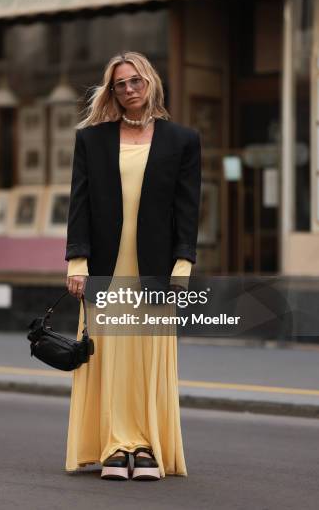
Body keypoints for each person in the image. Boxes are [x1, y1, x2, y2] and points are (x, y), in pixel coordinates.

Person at [64, 51, 201, 481]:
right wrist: (77, 262)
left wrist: (183, 266)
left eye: (135, 81)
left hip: (155, 267)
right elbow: (79, 205)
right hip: (105, 264)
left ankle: (143, 445)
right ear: (112, 91)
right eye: (120, 84)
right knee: (107, 354)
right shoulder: (91, 139)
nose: (128, 90)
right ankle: (113, 444)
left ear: (151, 82)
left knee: (145, 353)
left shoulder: (182, 140)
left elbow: (187, 210)